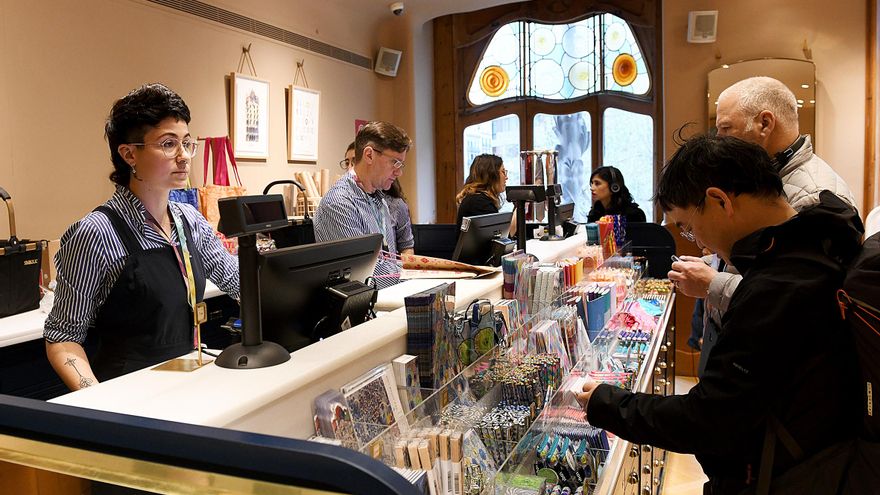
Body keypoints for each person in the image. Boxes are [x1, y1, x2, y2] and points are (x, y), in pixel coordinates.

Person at [578, 134, 862, 494]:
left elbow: (708, 419)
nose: (698, 241)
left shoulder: (777, 287)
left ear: (719, 201)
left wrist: (606, 403)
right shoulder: (821, 239)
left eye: (689, 226)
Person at [43, 83, 240, 391]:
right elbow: (62, 337)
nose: (184, 156)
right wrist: (97, 403)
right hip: (128, 396)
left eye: (187, 143)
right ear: (129, 154)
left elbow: (236, 280)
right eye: (168, 144)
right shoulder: (97, 233)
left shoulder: (189, 221)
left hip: (187, 386)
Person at [671, 76, 859, 373]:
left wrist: (713, 283)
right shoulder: (766, 178)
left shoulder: (812, 197)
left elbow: (799, 304)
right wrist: (713, 262)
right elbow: (761, 263)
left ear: (765, 124)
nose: (719, 140)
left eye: (726, 129)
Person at [314, 122, 412, 287]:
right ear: (369, 155)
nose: (399, 172)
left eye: (401, 165)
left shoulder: (379, 198)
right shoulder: (339, 203)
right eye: (395, 162)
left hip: (385, 295)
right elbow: (365, 273)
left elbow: (387, 260)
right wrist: (416, 275)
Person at [342, 141, 414, 256]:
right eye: (347, 163)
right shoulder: (344, 201)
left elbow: (407, 247)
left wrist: (398, 266)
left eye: (354, 161)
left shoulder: (393, 204)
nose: (350, 167)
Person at [455, 154, 516, 235]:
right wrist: (520, 207)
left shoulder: (477, 199)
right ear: (491, 175)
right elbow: (502, 236)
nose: (506, 177)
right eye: (503, 172)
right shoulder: (478, 202)